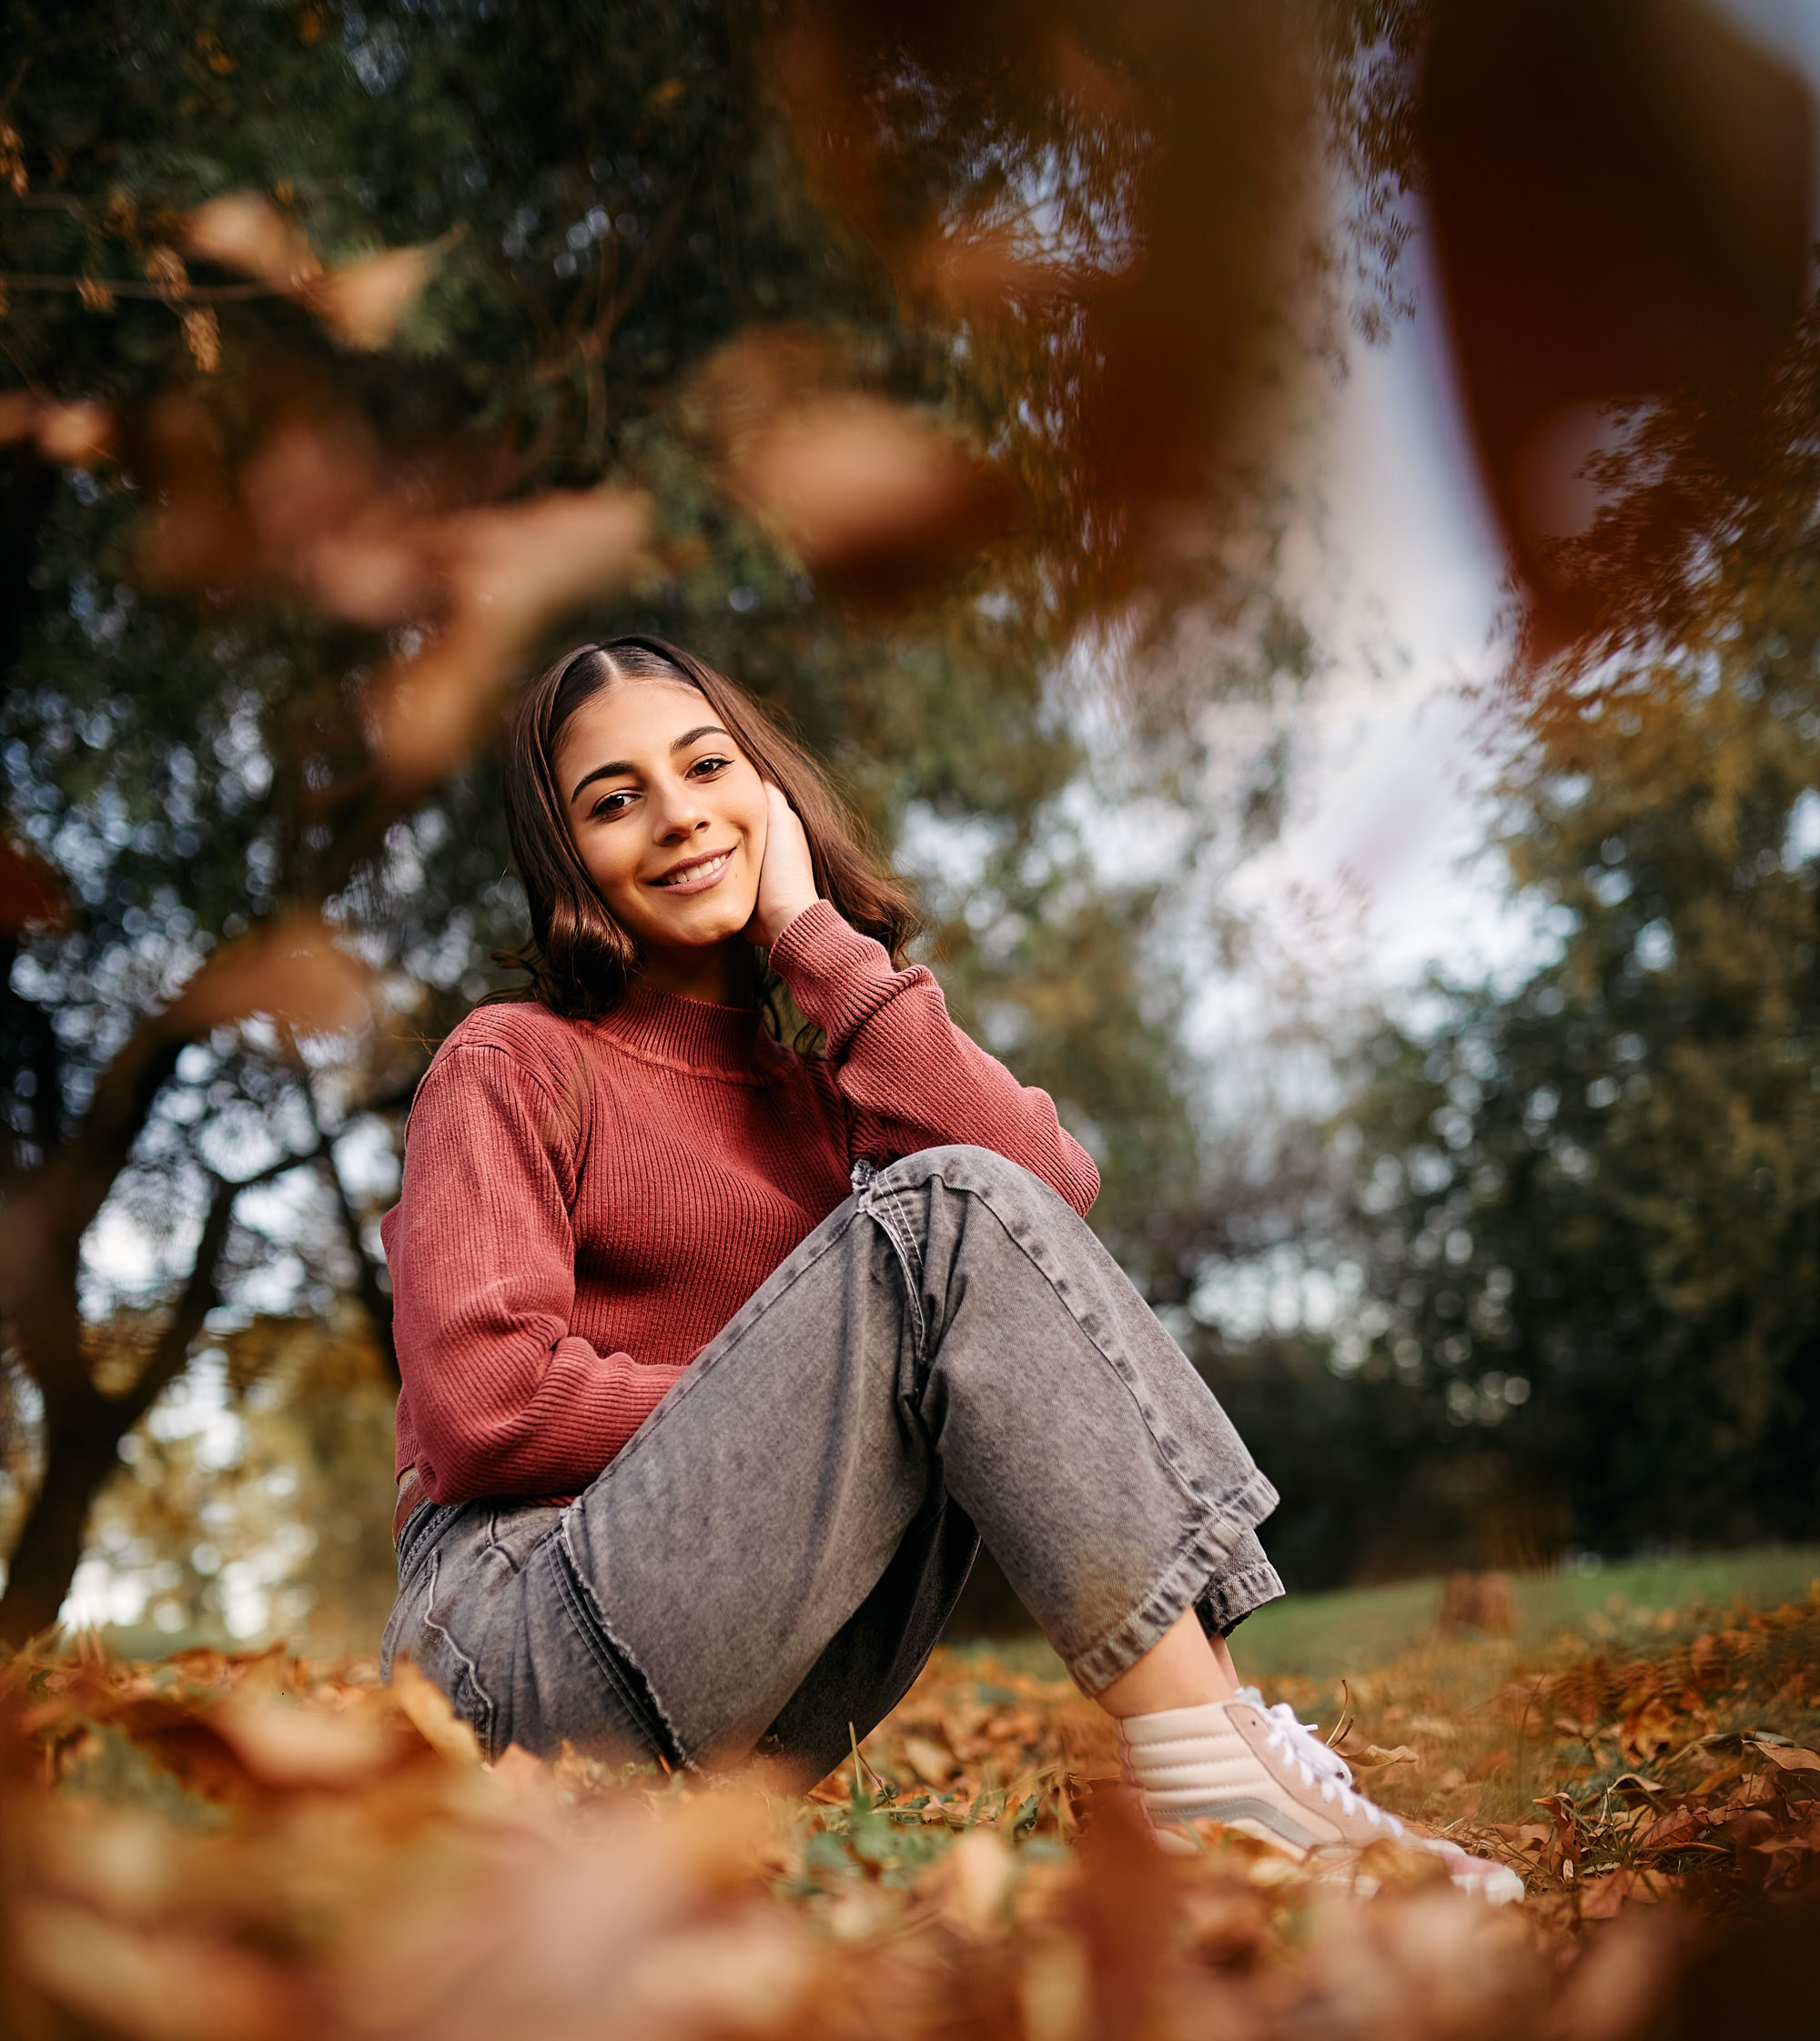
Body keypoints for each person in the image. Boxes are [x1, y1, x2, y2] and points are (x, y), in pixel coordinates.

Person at [380, 635, 1518, 1900]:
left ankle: (1227, 1753)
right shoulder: (513, 1063)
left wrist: (816, 937)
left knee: (962, 1214)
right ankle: (1213, 1779)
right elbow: (482, 1410)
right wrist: (794, 1393)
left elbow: (1047, 1196)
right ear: (565, 857)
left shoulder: (830, 1091)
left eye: (707, 766)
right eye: (614, 799)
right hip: (507, 1665)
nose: (678, 814)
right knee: (937, 1225)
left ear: (768, 790)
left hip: (760, 1689)